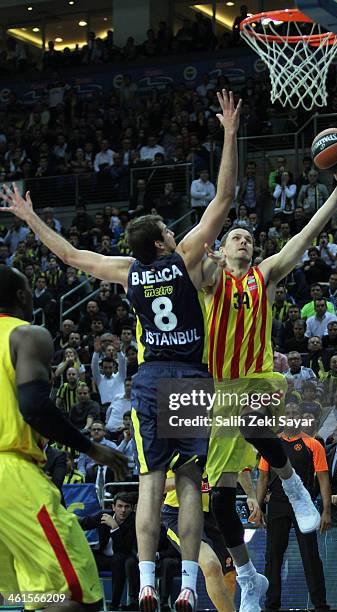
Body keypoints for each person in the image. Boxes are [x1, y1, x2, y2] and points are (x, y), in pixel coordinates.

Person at [0, 90, 242, 612]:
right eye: (168, 231)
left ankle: (150, 582)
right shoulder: (182, 259)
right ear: (160, 243)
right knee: (190, 482)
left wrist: (28, 216)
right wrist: (228, 132)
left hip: (151, 378)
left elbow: (66, 254)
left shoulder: (128, 271)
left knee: (151, 482)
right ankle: (187, 588)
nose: (175, 233)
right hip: (191, 376)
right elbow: (223, 198)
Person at [202, 158, 337, 609]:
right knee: (222, 494)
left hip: (261, 377)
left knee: (256, 420)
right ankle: (249, 577)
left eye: (250, 238)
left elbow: (304, 236)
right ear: (222, 247)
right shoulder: (209, 278)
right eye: (237, 236)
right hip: (220, 388)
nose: (245, 241)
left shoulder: (264, 274)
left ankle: (292, 484)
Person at [0, 265, 127, 610]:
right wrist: (91, 447)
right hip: (10, 474)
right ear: (23, 295)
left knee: (35, 595)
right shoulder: (27, 335)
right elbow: (35, 407)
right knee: (79, 596)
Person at [257, 403, 331, 612]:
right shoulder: (272, 444)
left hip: (303, 503)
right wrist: (258, 506)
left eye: (295, 413)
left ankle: (320, 605)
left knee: (310, 555)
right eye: (287, 413)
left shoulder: (313, 444)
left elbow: (323, 479)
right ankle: (271, 605)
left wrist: (326, 510)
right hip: (278, 502)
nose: (290, 417)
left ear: (301, 418)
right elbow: (263, 477)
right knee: (273, 556)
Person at [162, 463, 236, 612]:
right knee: (211, 565)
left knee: (229, 573)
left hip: (210, 514)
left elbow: (238, 470)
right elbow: (158, 486)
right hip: (179, 515)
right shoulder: (172, 448)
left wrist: (252, 496)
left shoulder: (215, 445)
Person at [79, 492, 139, 610]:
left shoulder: (135, 522)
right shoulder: (104, 516)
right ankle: (83, 599)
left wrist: (115, 527)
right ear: (113, 507)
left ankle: (114, 604)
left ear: (132, 509)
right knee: (84, 558)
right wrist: (68, 520)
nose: (123, 510)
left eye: (127, 507)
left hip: (124, 557)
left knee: (118, 559)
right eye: (120, 506)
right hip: (104, 557)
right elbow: (85, 523)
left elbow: (123, 548)